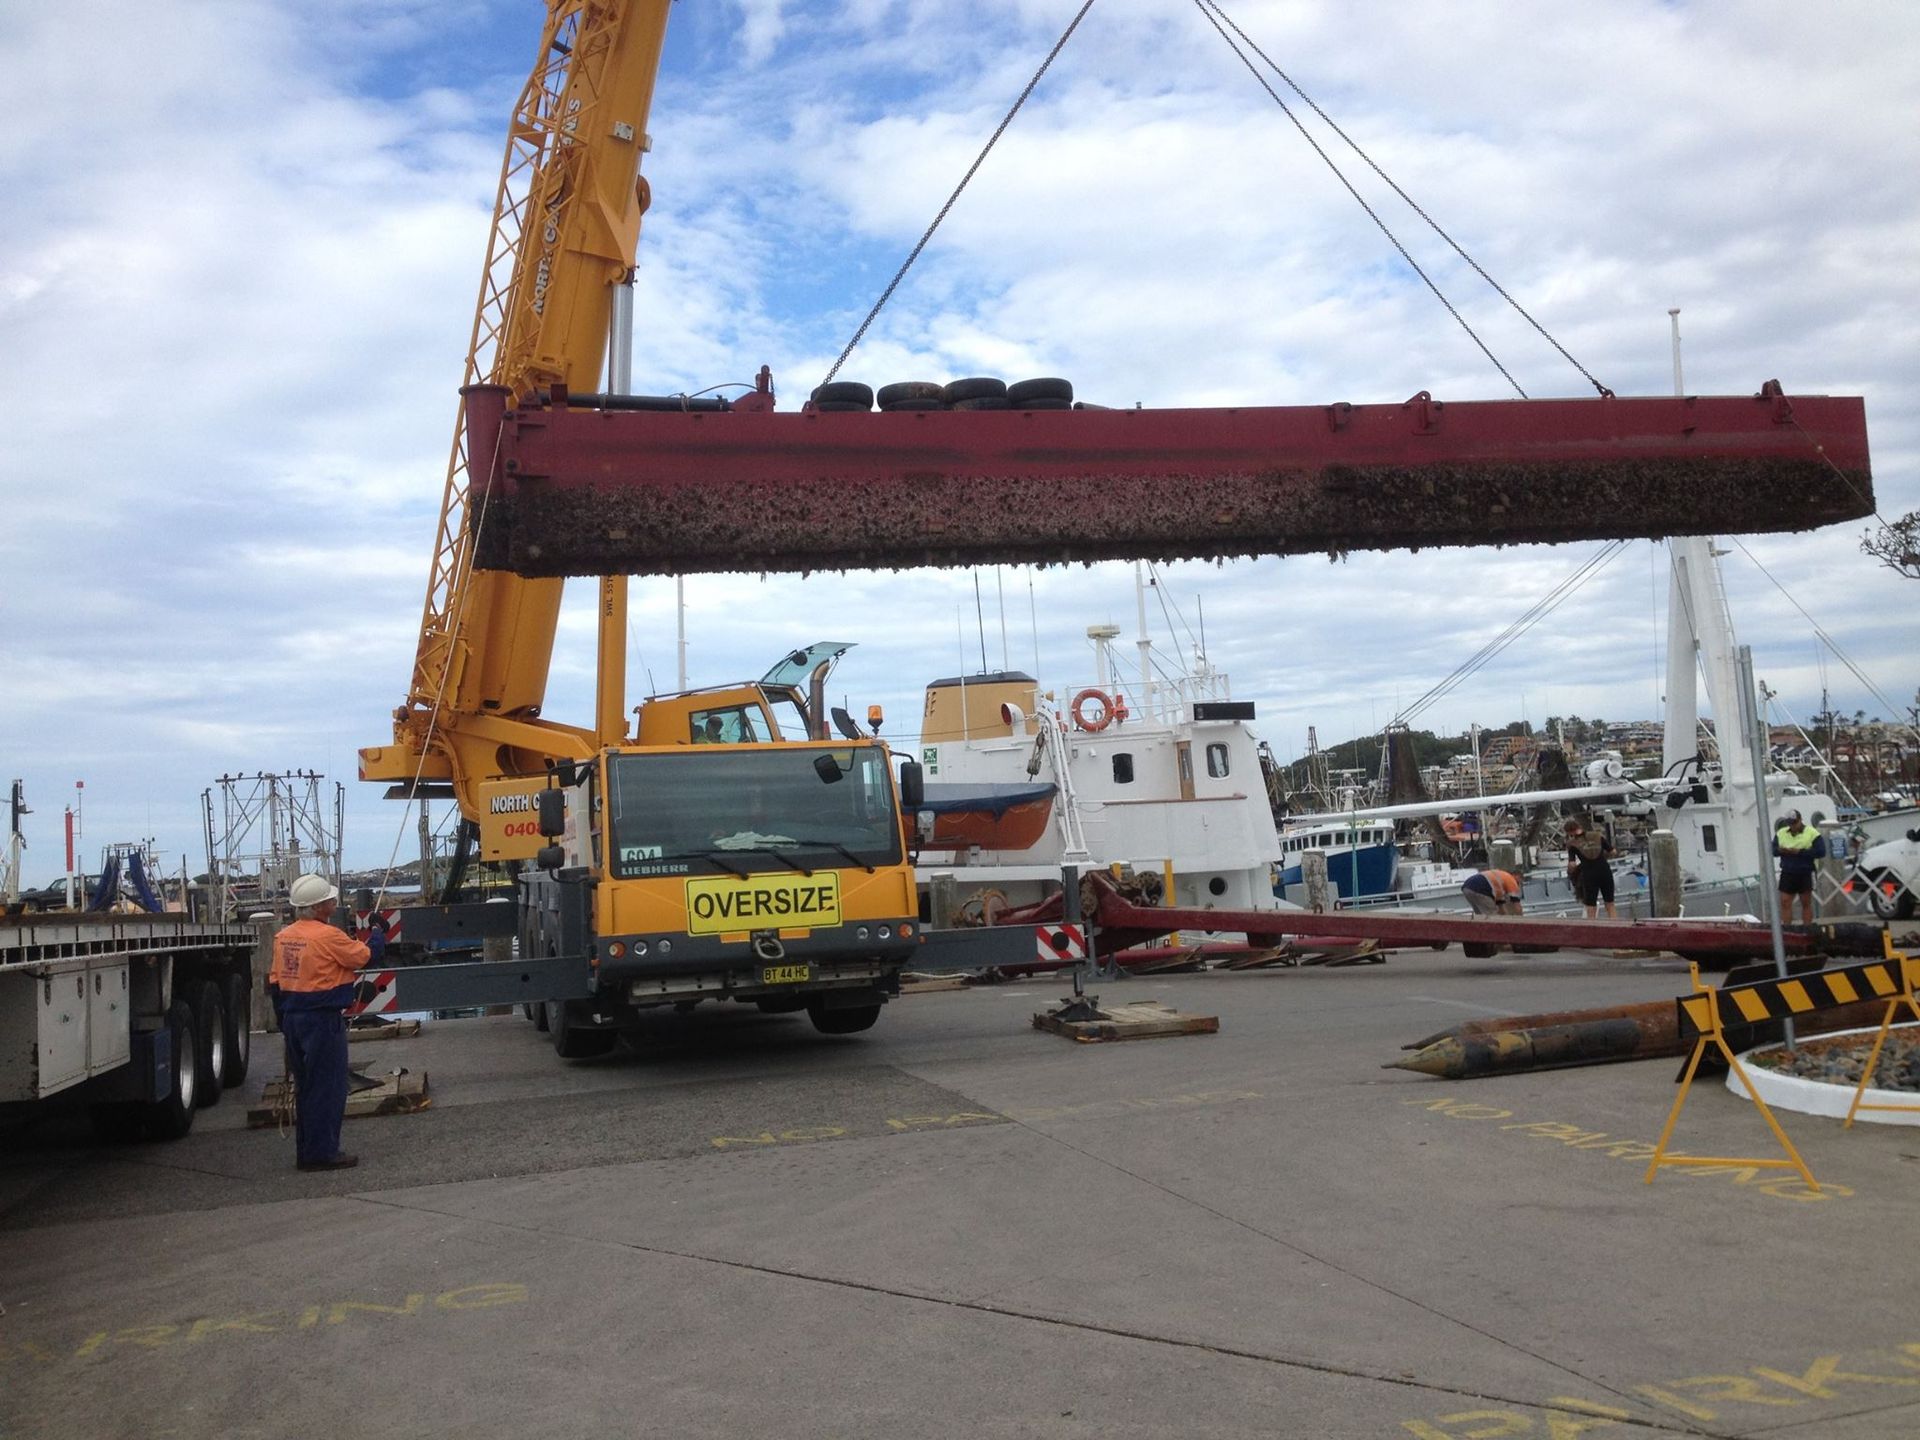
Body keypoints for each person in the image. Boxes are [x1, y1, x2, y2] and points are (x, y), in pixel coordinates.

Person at [272, 873, 383, 1172]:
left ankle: (307, 1151)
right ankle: (322, 1153)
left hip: (293, 1017)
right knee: (328, 1088)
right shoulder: (328, 935)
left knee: (306, 1086)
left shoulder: (284, 937)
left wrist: (284, 1021)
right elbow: (365, 957)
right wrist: (377, 931)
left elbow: (274, 981)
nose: (335, 902)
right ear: (321, 906)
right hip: (322, 1019)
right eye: (331, 899)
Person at [1772, 809, 1827, 925]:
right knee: (1785, 901)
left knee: (1805, 902)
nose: (1793, 826)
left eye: (1795, 823)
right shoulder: (1781, 833)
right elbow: (1772, 850)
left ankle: (1807, 929)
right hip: (1788, 871)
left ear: (1800, 820)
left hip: (1806, 871)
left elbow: (1821, 852)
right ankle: (1788, 929)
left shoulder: (1812, 833)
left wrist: (1800, 852)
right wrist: (1781, 850)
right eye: (1790, 824)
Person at [1565, 818, 1618, 920]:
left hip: (1589, 874)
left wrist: (1573, 872)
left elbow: (1572, 864)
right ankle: (1616, 926)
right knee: (1610, 903)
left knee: (1591, 905)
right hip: (1604, 871)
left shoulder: (1572, 844)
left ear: (1569, 832)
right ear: (1579, 827)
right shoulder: (1597, 836)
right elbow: (1613, 852)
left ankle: (1592, 929)